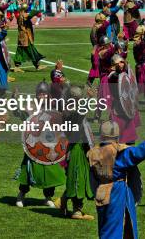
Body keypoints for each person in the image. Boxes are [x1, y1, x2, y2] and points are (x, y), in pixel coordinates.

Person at [88, 120, 145, 239]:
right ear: (117, 137)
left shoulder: (93, 152)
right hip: (116, 192)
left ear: (102, 135)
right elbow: (139, 152)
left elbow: (92, 178)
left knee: (105, 228)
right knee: (113, 230)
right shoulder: (119, 153)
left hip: (101, 191)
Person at [16, 81, 66, 208]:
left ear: (48, 95)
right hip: (34, 144)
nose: (42, 97)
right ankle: (21, 194)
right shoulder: (31, 107)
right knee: (27, 171)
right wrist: (15, 102)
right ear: (36, 95)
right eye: (40, 94)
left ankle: (48, 197)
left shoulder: (54, 108)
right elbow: (20, 114)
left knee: (50, 171)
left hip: (49, 144)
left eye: (44, 94)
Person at [55, 86, 94, 220]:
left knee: (76, 177)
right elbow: (80, 114)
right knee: (78, 178)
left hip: (78, 147)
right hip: (77, 149)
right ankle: (77, 211)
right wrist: (88, 99)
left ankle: (62, 201)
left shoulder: (68, 109)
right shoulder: (70, 111)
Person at [107, 54, 141, 144]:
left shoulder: (124, 74)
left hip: (127, 107)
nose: (121, 64)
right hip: (118, 110)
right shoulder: (112, 75)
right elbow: (115, 77)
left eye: (122, 62)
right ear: (113, 65)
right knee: (117, 138)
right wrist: (118, 72)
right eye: (119, 63)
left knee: (130, 138)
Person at [12, 3, 45, 72]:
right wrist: (37, 9)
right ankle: (37, 65)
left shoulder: (19, 15)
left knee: (20, 51)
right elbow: (32, 13)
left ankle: (17, 66)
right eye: (27, 9)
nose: (28, 10)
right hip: (26, 36)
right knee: (31, 50)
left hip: (21, 36)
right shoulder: (24, 15)